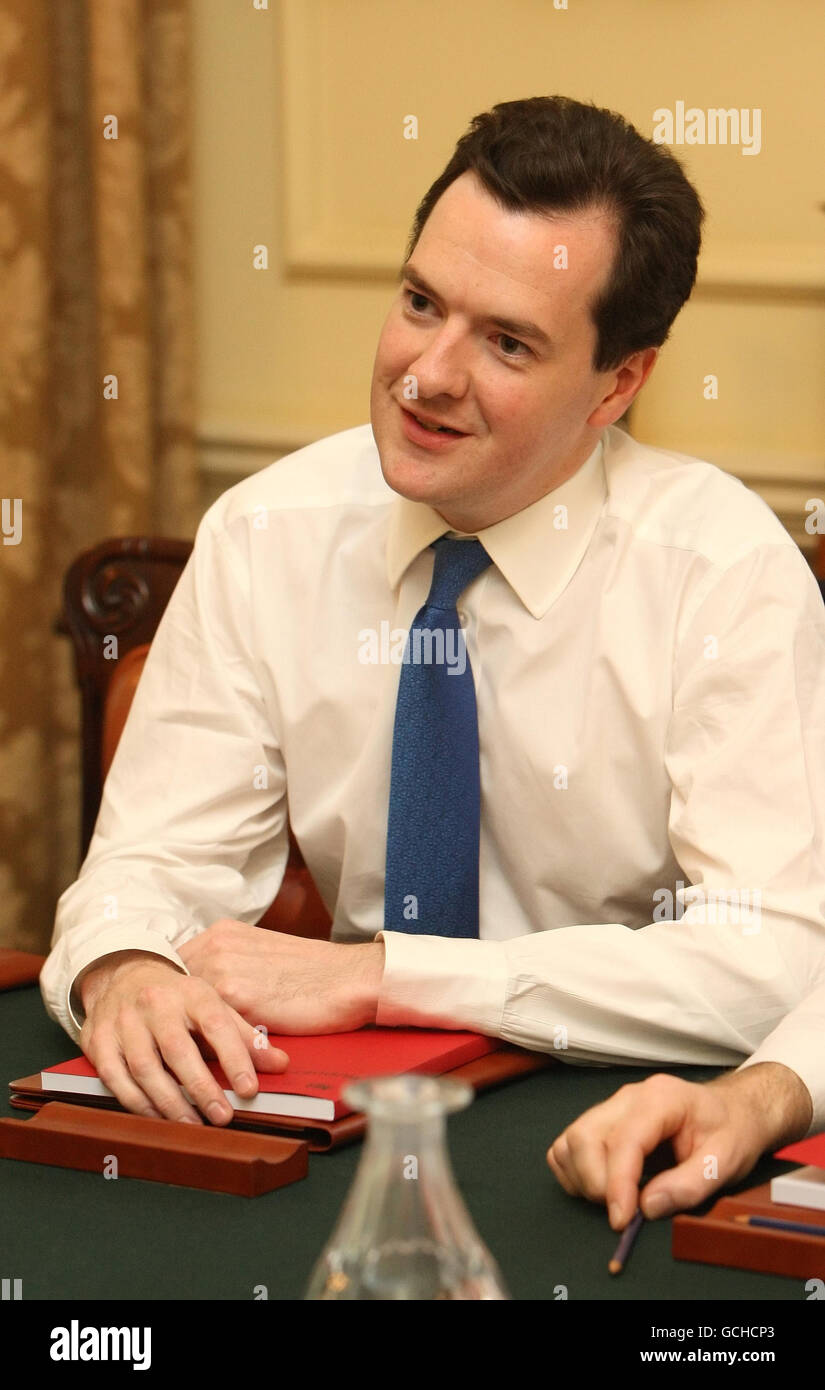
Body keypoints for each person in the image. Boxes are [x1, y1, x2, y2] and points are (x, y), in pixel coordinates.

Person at [41, 96, 825, 1223]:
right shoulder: (268, 532)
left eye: (507, 342)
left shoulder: (722, 574)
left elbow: (772, 961)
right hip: (325, 1140)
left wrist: (381, 976)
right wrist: (124, 968)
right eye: (420, 304)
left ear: (619, 384)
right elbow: (145, 868)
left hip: (605, 1146)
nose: (426, 375)